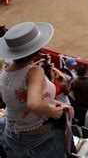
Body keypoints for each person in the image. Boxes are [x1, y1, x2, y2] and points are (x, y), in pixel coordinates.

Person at [0, 22, 73, 158]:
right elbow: (33, 104)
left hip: (12, 135)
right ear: (37, 50)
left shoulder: (5, 71)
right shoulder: (35, 72)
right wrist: (52, 111)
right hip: (39, 138)